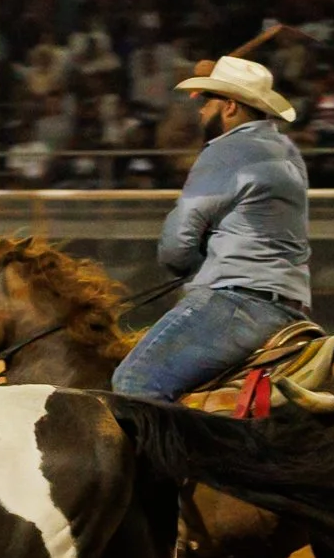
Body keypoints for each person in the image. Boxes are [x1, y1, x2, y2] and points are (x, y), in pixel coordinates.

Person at [111, 54, 312, 402]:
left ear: (230, 107)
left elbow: (177, 245)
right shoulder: (285, 149)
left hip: (237, 302)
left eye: (207, 102)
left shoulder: (228, 150)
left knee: (134, 382)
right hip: (287, 304)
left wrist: (186, 262)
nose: (201, 112)